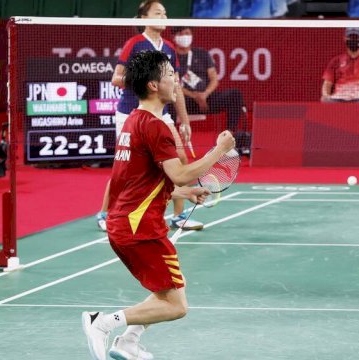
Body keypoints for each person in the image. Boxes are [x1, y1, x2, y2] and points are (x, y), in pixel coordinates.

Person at [82, 50, 236, 360]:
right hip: (141, 230)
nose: (175, 80)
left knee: (169, 288)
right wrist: (219, 150)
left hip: (124, 224)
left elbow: (140, 183)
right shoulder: (155, 127)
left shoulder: (133, 122)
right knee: (177, 306)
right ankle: (103, 322)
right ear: (153, 85)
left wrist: (185, 192)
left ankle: (128, 343)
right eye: (169, 75)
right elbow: (178, 172)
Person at [95, 0, 204, 232]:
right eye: (157, 13)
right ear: (144, 18)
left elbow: (176, 86)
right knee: (125, 167)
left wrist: (184, 120)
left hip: (161, 114)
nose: (163, 17)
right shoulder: (134, 44)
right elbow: (116, 78)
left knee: (180, 159)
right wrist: (145, 80)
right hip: (131, 113)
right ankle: (105, 212)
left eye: (165, 13)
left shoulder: (169, 49)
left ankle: (178, 215)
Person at [171, 26, 251, 154]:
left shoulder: (201, 54)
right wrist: (194, 95)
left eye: (187, 33)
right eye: (181, 33)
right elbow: (171, 82)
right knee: (170, 100)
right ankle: (171, 143)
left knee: (234, 95)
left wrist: (204, 94)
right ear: (174, 37)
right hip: (184, 101)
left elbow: (214, 79)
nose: (185, 36)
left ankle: (228, 141)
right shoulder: (171, 56)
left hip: (207, 99)